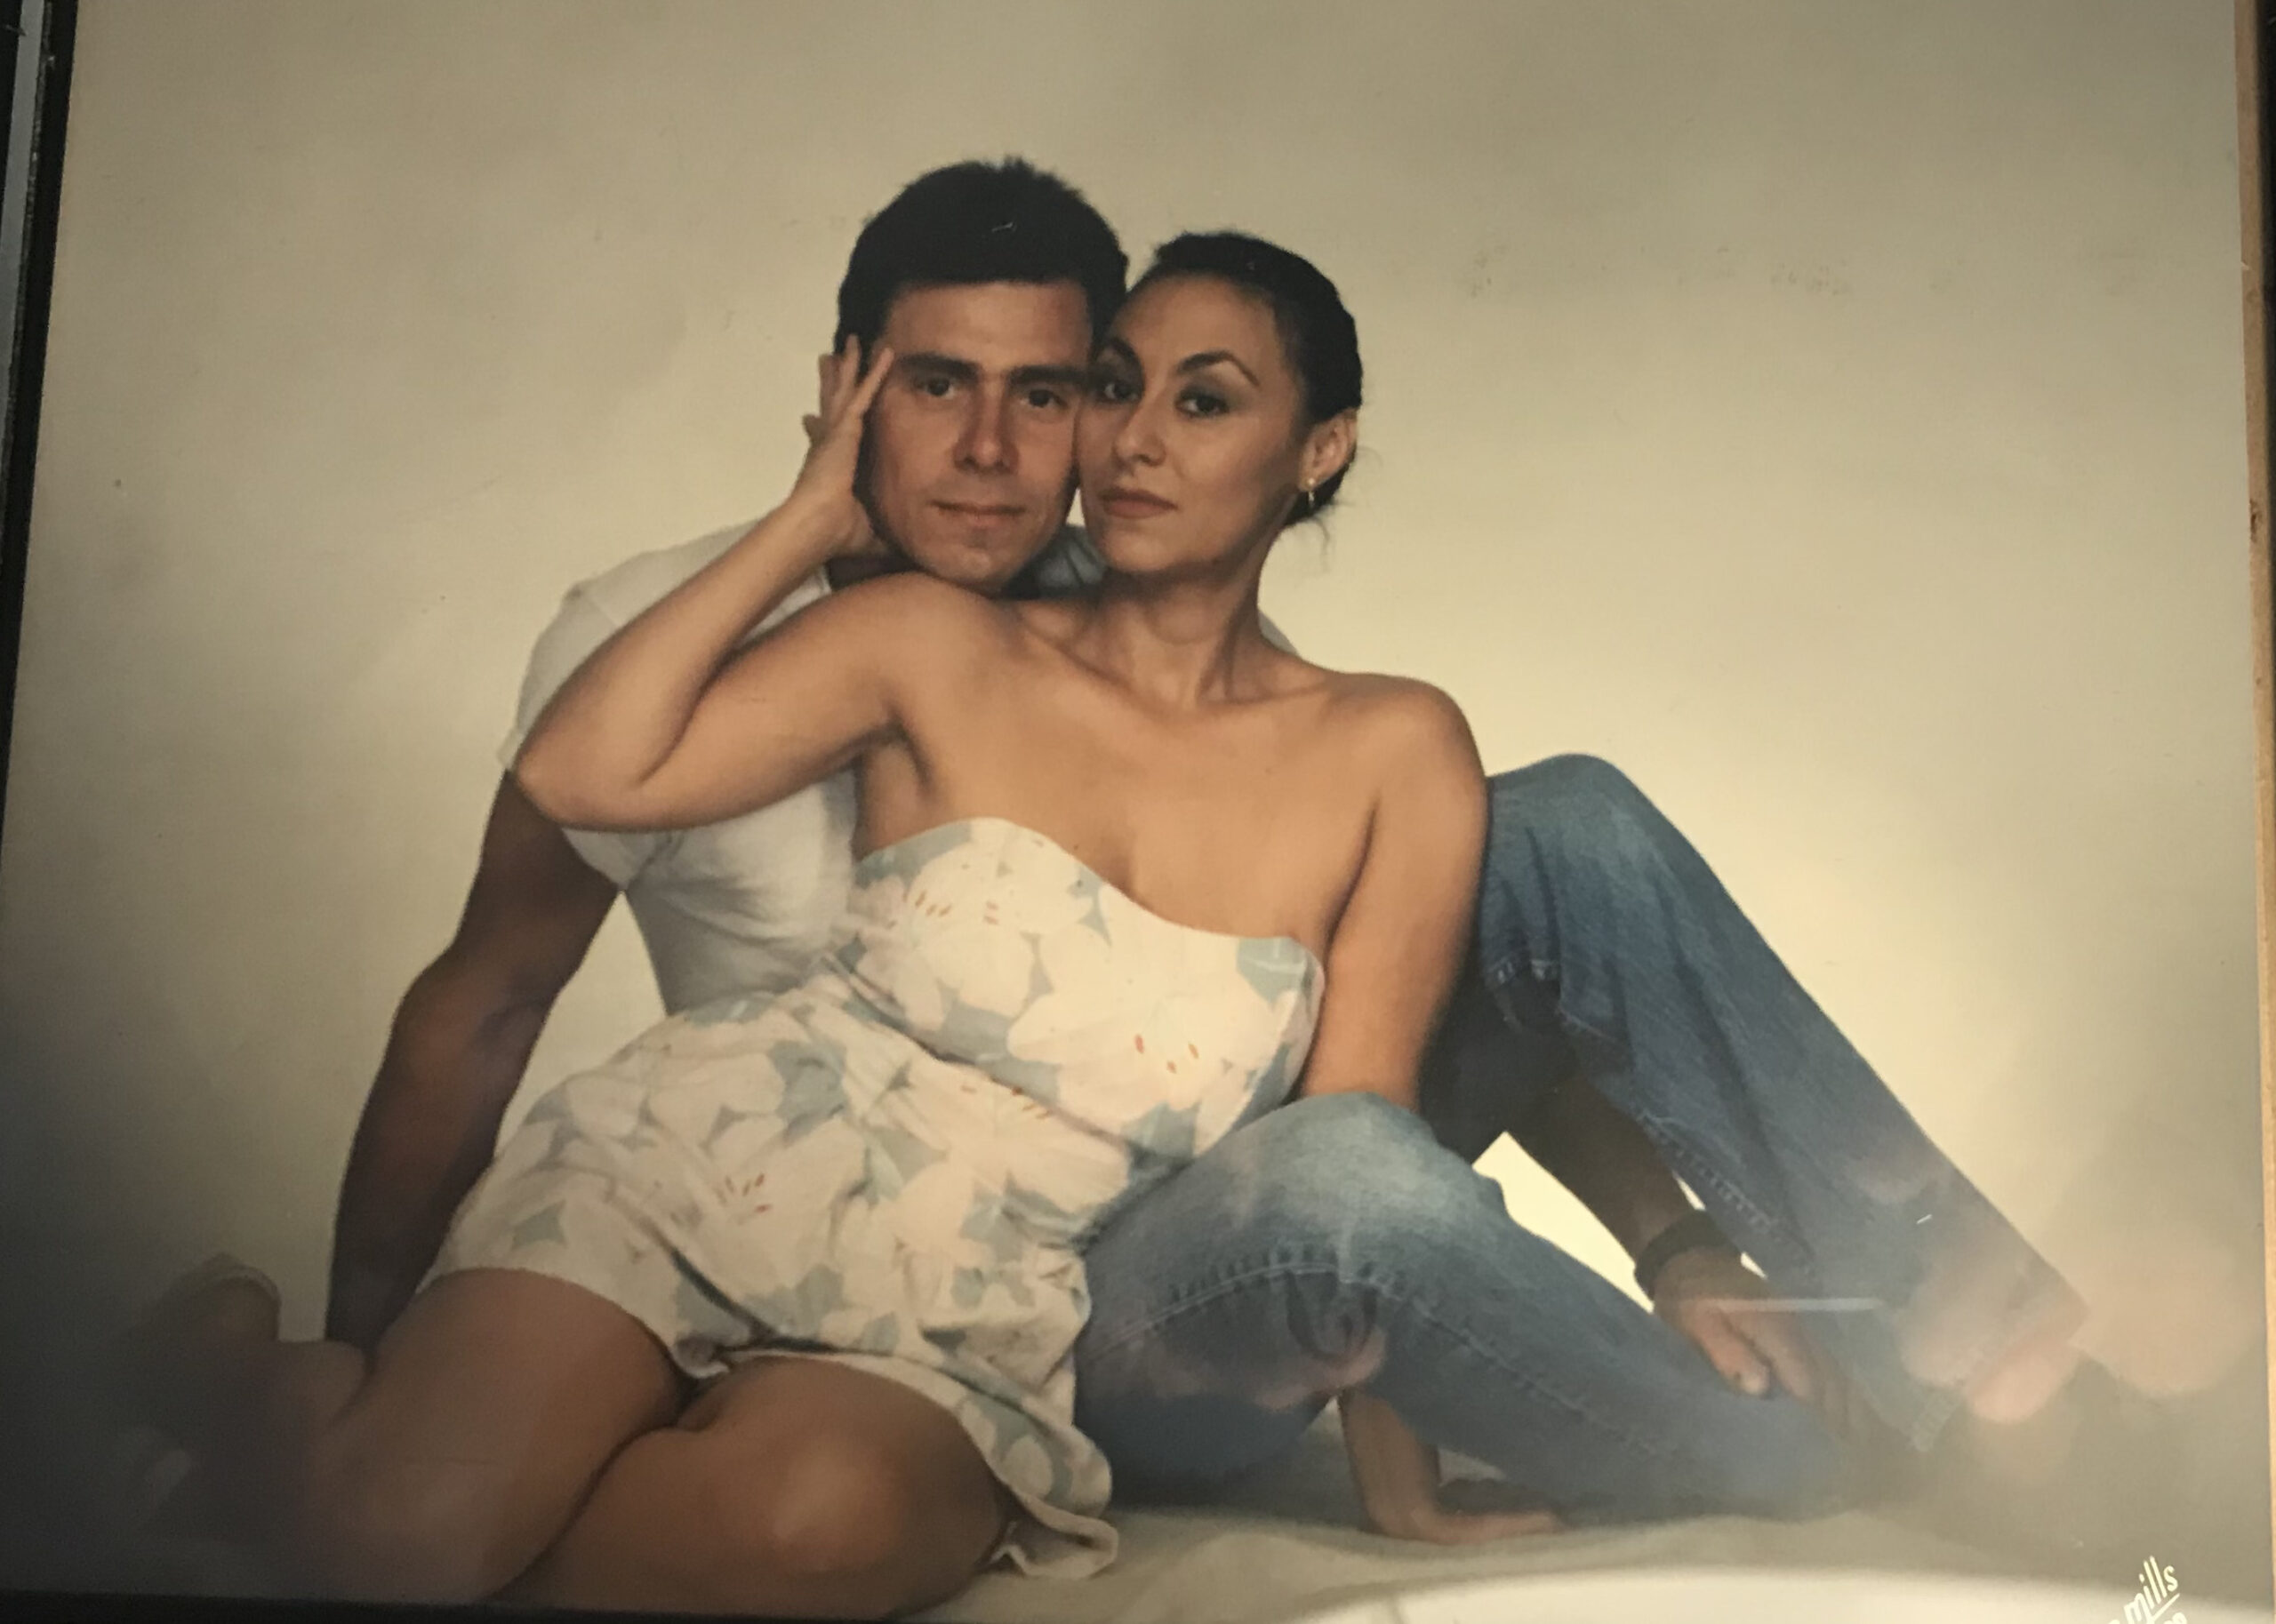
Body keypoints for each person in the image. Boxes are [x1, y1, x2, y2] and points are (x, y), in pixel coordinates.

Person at [135, 159, 2159, 1598]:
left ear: (1316, 451)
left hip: (1057, 1273)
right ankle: (315, 1416)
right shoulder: (861, 635)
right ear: (849, 381)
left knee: (1574, 829)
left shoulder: (1345, 726)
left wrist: (1655, 1254)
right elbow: (506, 939)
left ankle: (1993, 1364)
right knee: (404, 1530)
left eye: (1079, 388)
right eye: (1076, 388)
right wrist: (378, 1335)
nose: (1039, 445)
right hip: (731, 1176)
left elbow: (1365, 1125)